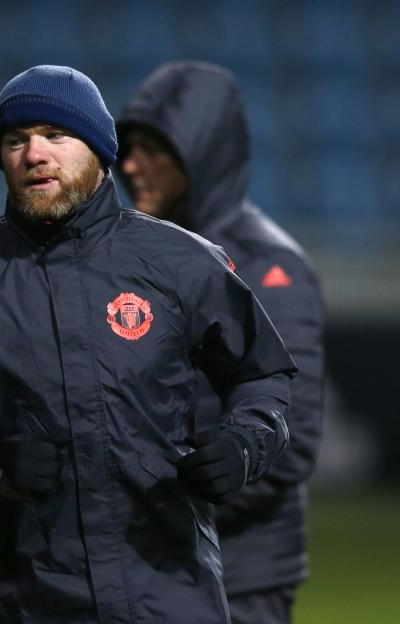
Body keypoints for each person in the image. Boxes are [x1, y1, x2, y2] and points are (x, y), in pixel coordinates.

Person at [0, 64, 297, 623]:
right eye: (16, 140)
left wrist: (243, 445)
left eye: (56, 136)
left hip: (170, 597)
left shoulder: (183, 262)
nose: (34, 154)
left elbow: (262, 375)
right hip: (24, 603)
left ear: (99, 150)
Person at [116, 61, 324, 624]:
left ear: (202, 153)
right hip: (166, 564)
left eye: (155, 150)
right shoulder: (146, 258)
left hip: (240, 576)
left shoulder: (270, 266)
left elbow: (292, 436)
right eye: (127, 147)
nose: (130, 165)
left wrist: (160, 501)